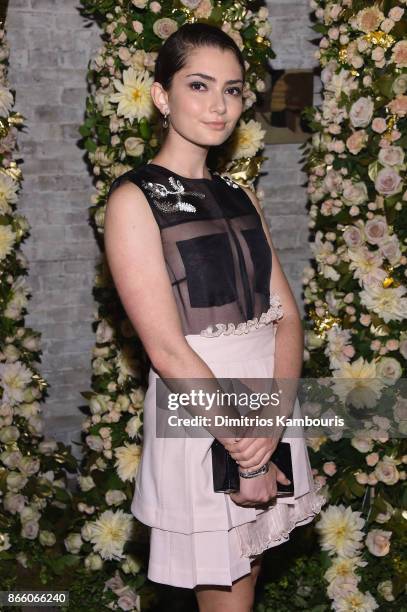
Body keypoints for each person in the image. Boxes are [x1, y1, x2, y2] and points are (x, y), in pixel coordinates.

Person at [104, 22, 324, 612]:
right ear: (160, 95)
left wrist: (273, 419)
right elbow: (166, 349)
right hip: (203, 413)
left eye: (231, 89)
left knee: (245, 575)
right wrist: (239, 442)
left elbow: (287, 318)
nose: (218, 105)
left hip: (267, 404)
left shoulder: (240, 195)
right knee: (223, 587)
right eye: (199, 86)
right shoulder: (134, 200)